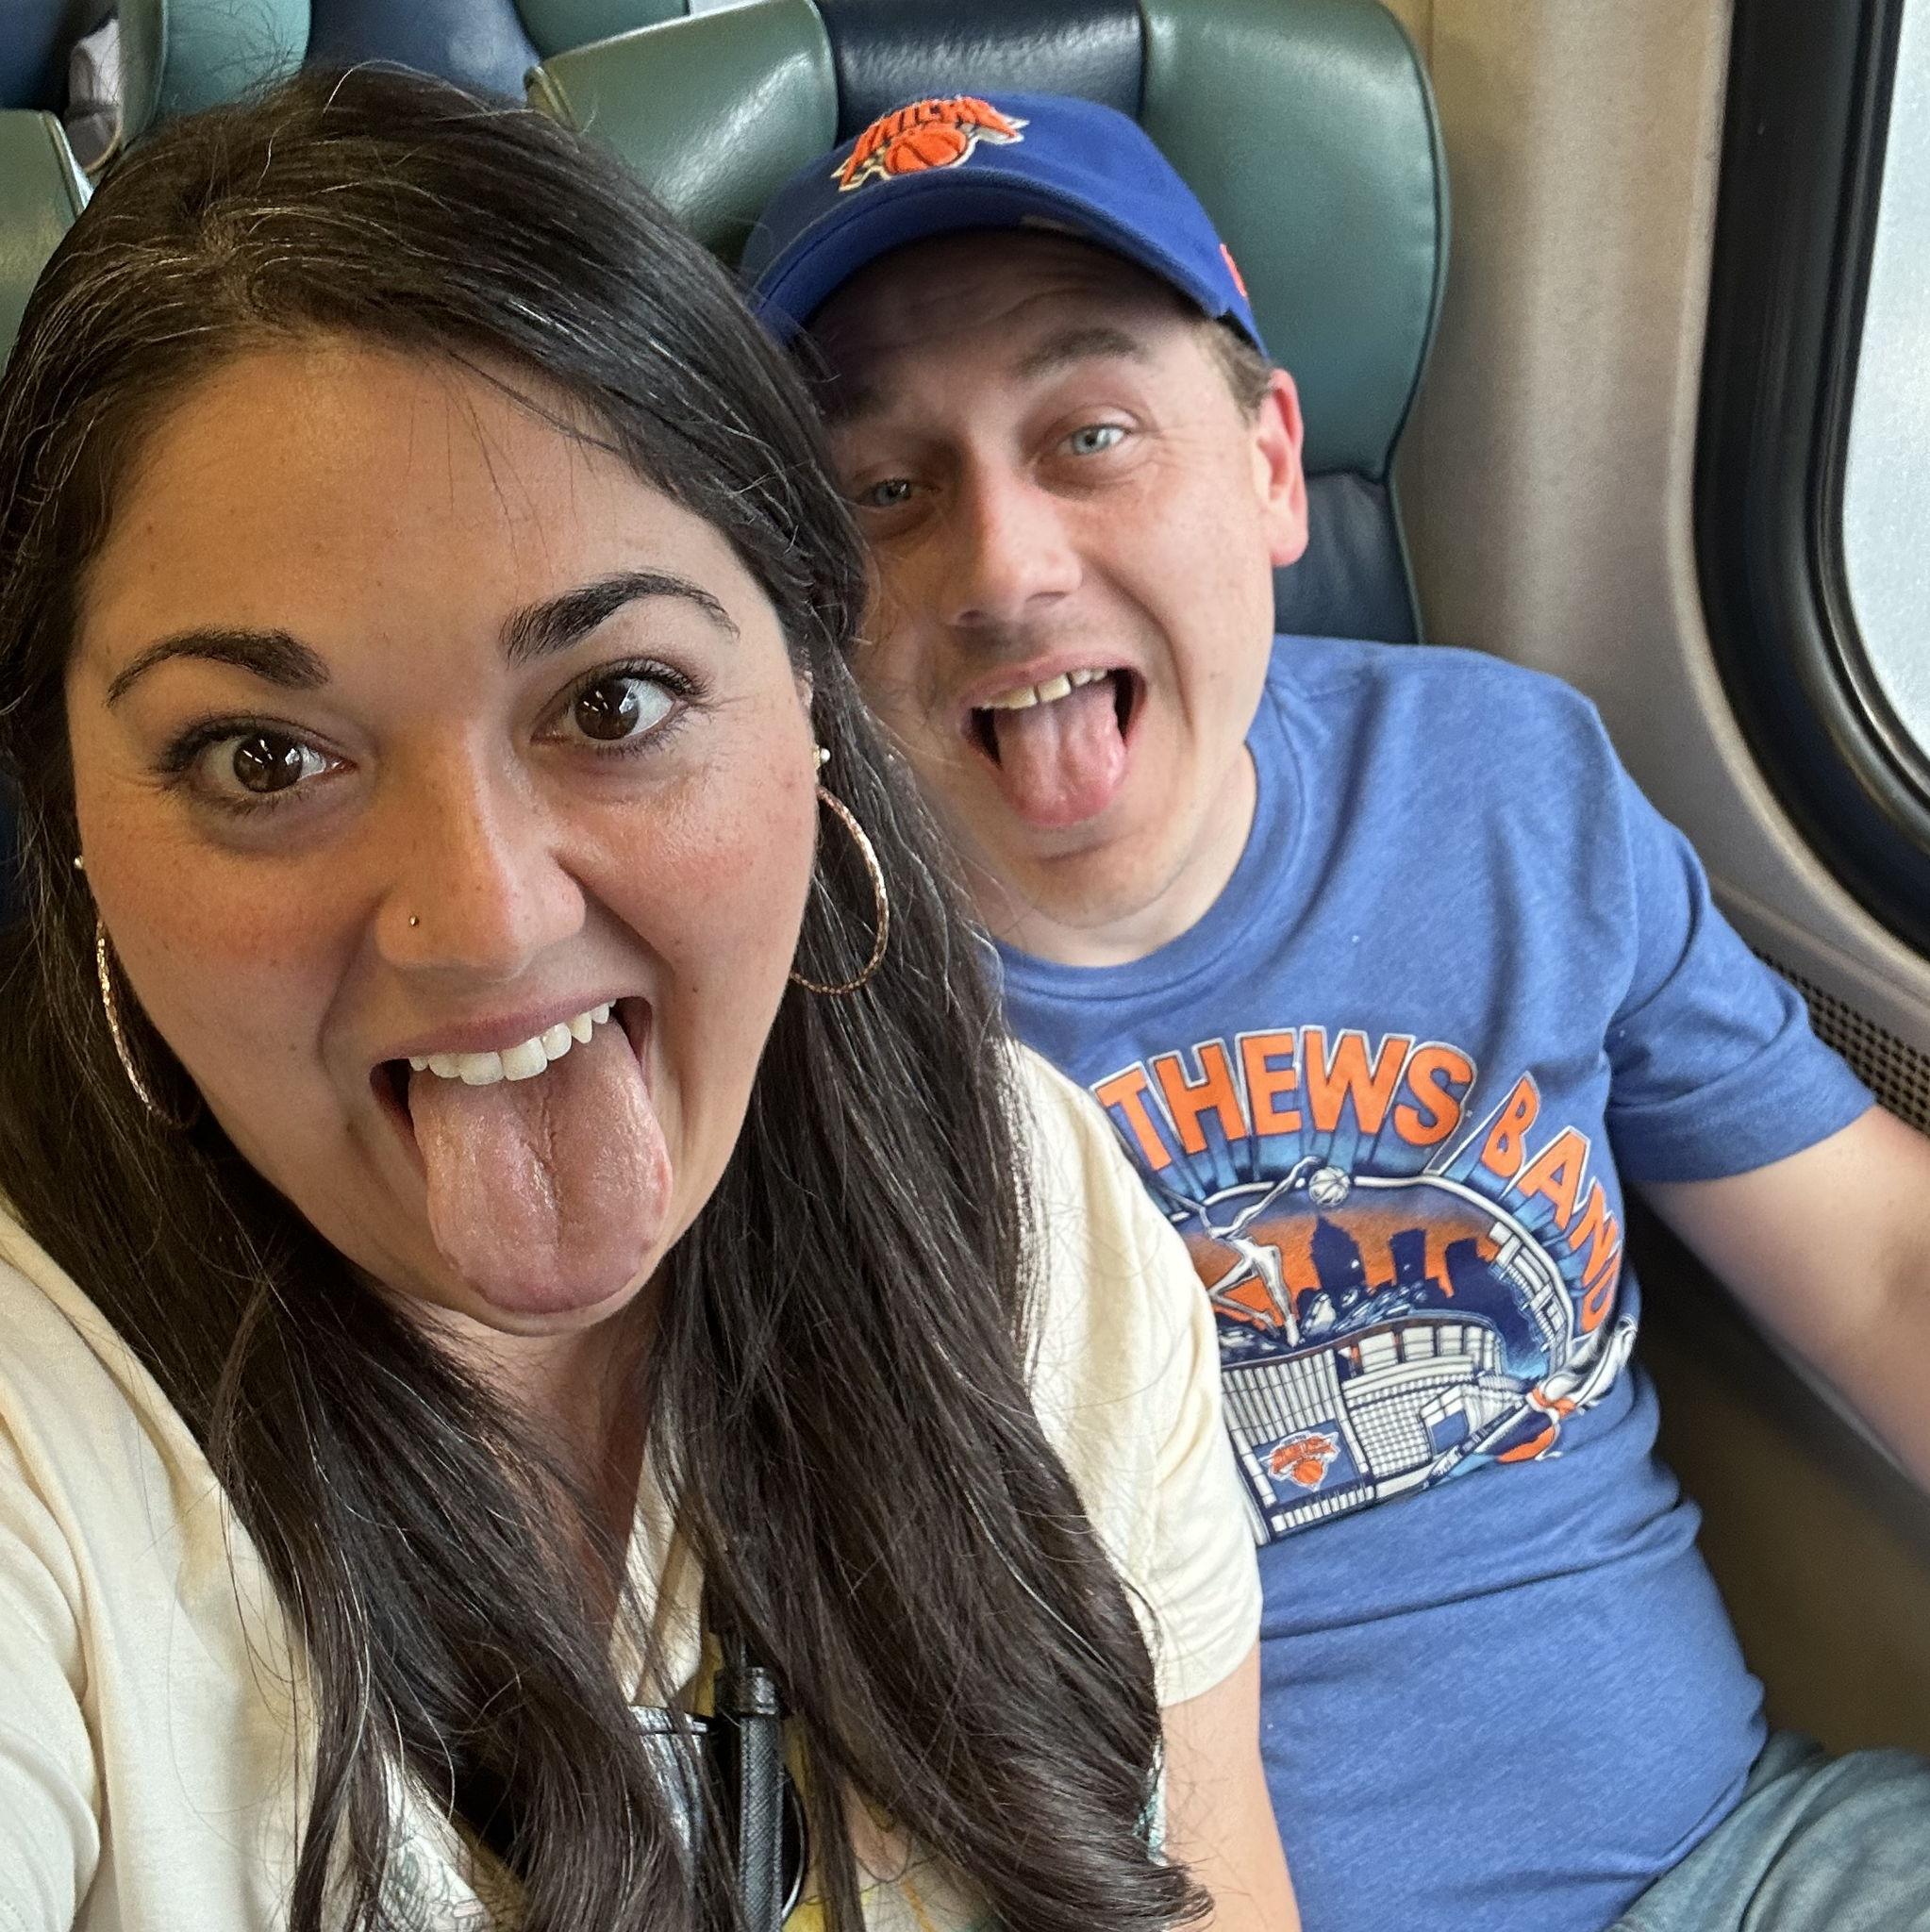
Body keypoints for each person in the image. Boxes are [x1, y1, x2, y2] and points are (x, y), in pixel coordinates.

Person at [0, 72, 1298, 1932]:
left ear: (810, 700)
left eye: (613, 702)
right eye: (261, 756)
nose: (481, 923)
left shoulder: (1037, 1219)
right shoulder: (42, 1457)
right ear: (69, 818)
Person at [744, 90, 1930, 1932]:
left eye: (1090, 434)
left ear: (1273, 467)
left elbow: (1879, 1264)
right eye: (882, 490)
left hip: (1741, 1867)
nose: (1005, 565)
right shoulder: (765, 1003)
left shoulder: (1502, 786)